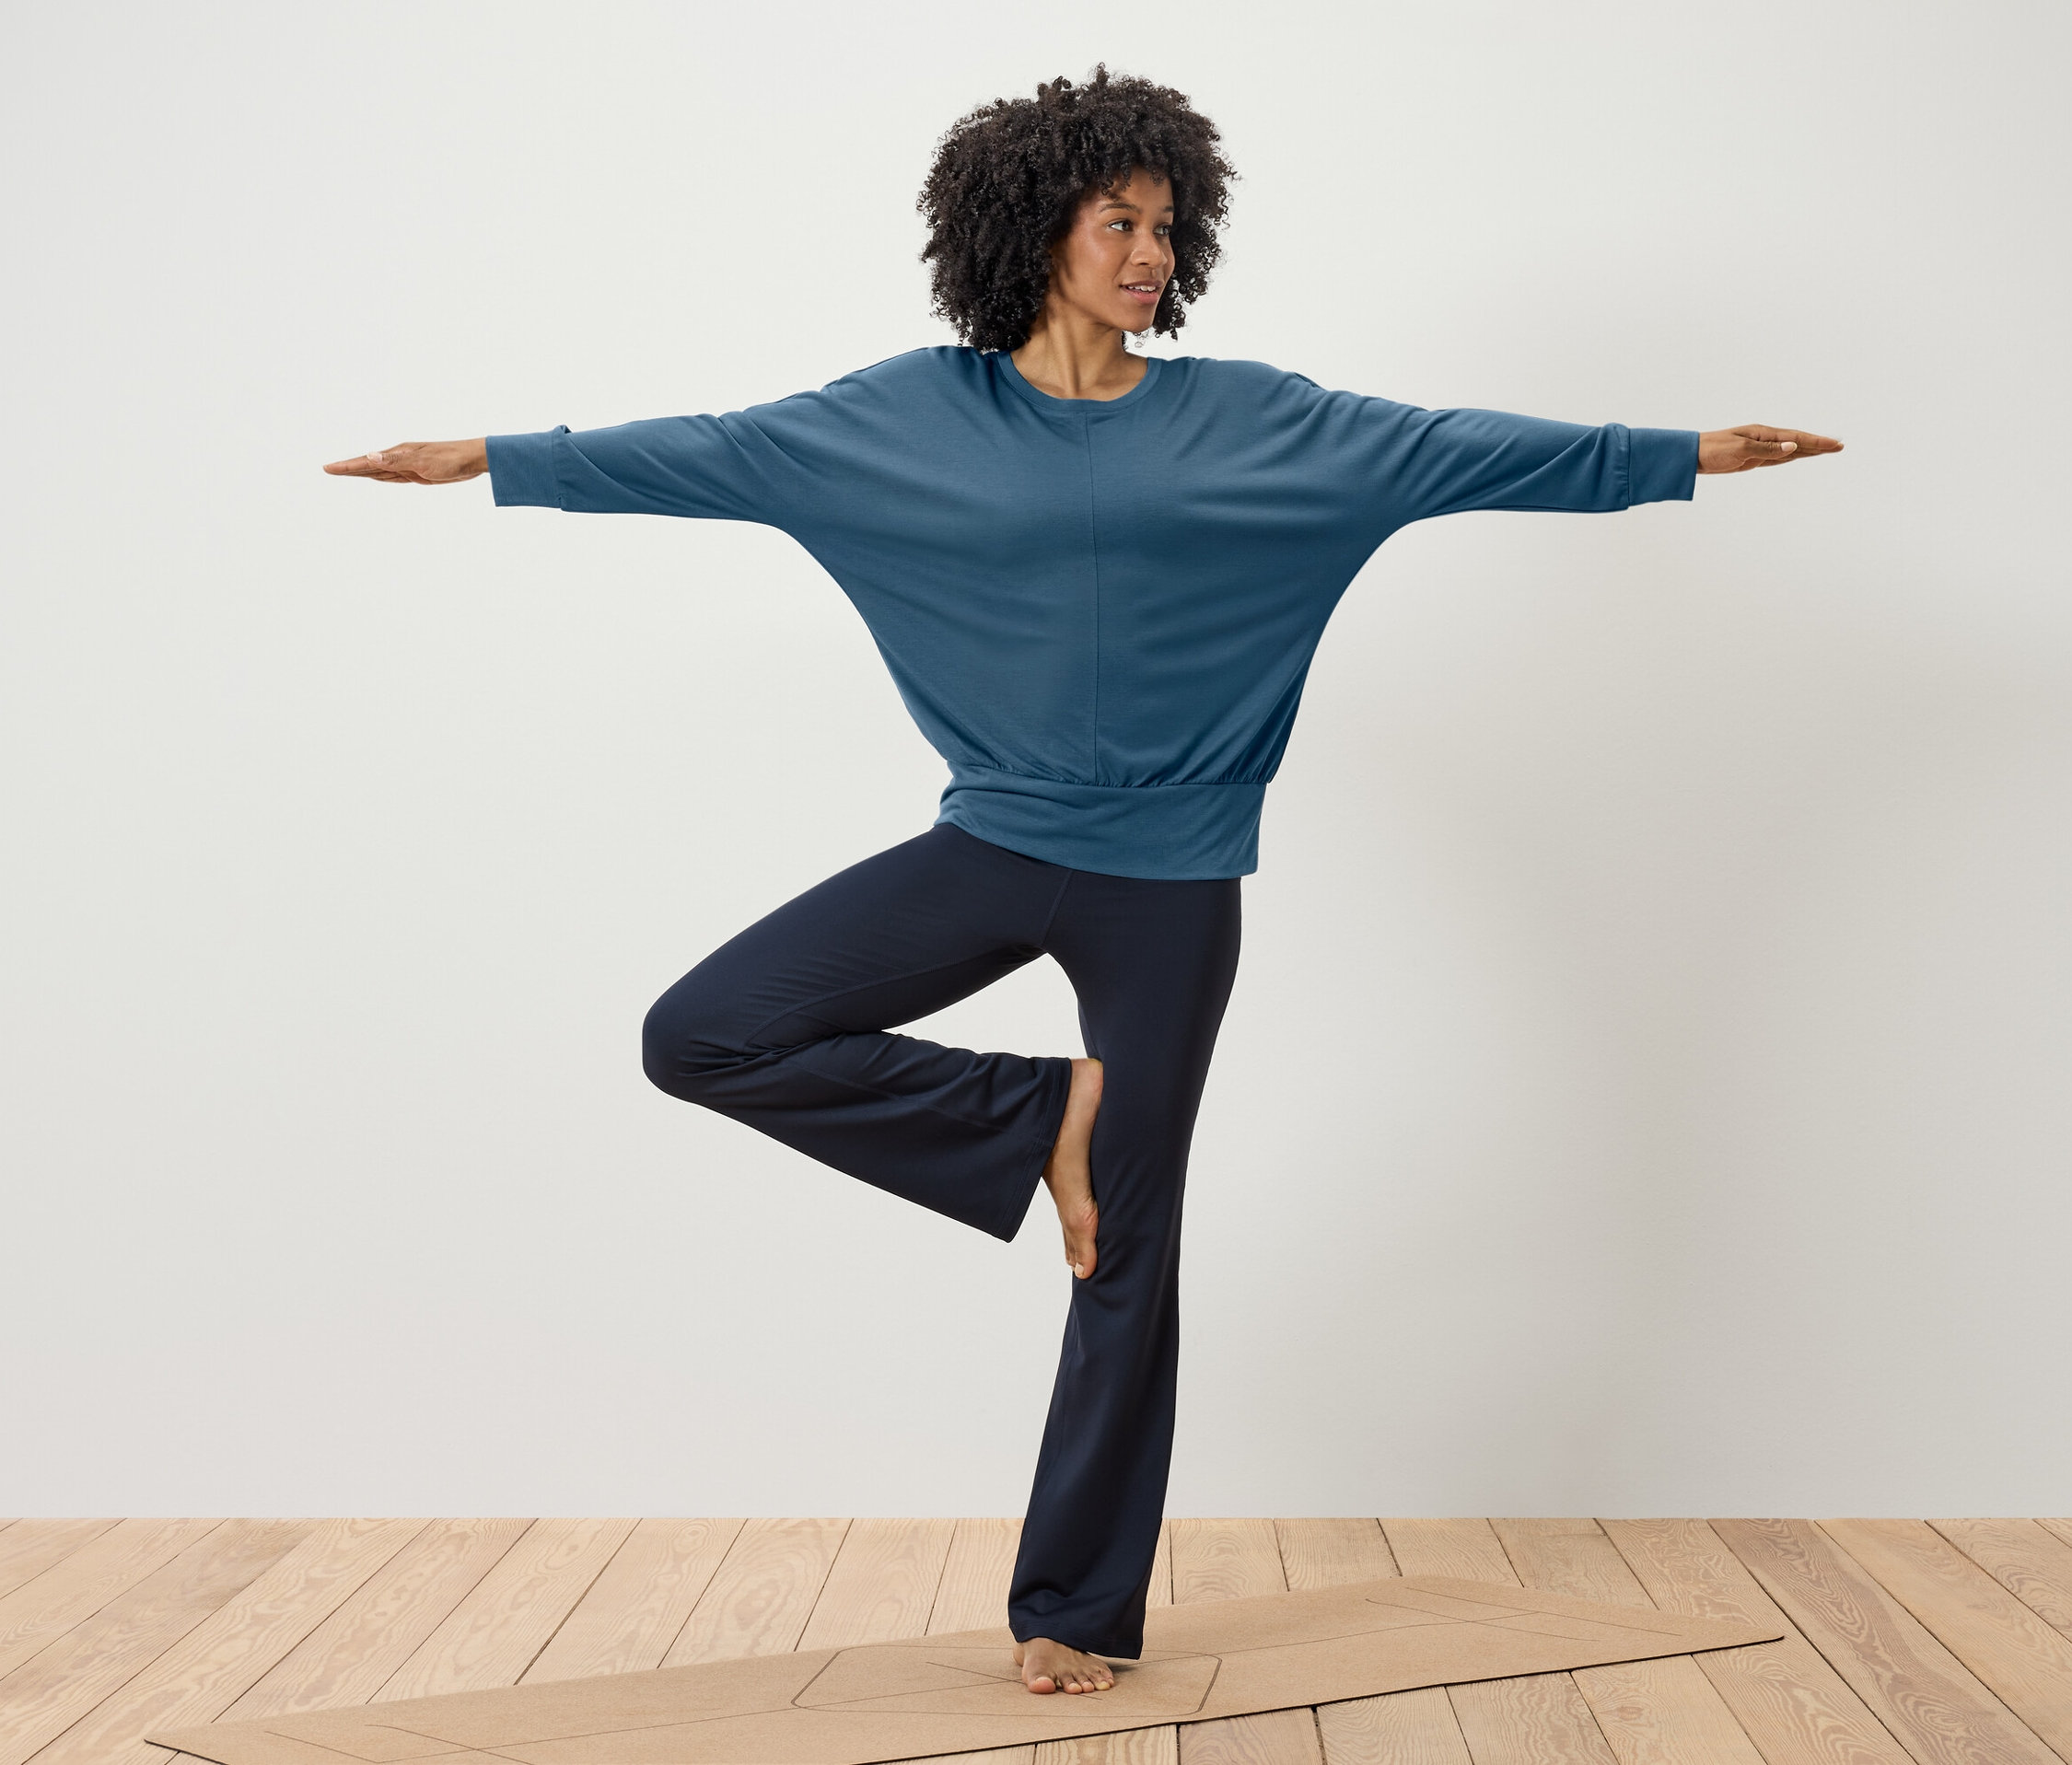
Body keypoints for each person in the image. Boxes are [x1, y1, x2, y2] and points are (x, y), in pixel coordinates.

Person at [325, 66, 1840, 1695]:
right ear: (1025, 227)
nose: (1147, 255)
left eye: (1166, 227)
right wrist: (493, 455)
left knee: (1124, 1249)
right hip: (988, 848)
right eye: (1116, 221)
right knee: (700, 1033)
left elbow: (1442, 448)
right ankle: (1027, 1118)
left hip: (1171, 886)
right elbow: (712, 451)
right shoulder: (903, 416)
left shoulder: (1256, 419)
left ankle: (1071, 1613)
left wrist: (1670, 453)